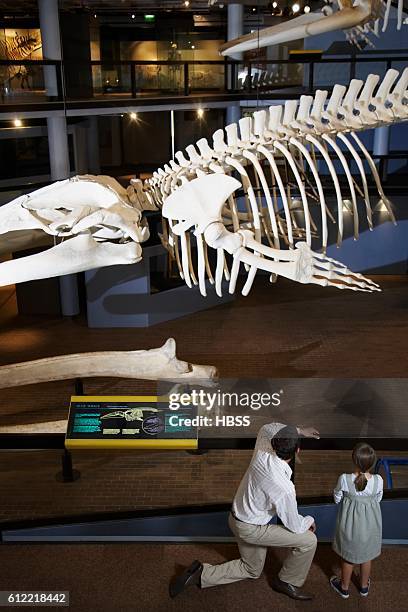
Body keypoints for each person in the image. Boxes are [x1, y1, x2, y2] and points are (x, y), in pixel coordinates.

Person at [169, 422, 320, 601]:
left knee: (252, 570)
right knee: (309, 540)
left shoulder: (263, 449)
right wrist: (309, 521)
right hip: (251, 529)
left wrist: (297, 430)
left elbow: (267, 427)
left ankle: (201, 574)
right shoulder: (284, 487)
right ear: (297, 451)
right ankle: (287, 582)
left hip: (235, 518)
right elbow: (294, 525)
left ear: (274, 444)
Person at [330, 442, 383, 599]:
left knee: (348, 556)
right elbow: (378, 499)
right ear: (372, 462)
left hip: (349, 525)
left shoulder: (345, 479)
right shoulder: (379, 480)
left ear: (354, 460)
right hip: (370, 525)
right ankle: (364, 587)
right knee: (366, 556)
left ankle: (344, 588)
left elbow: (337, 498)